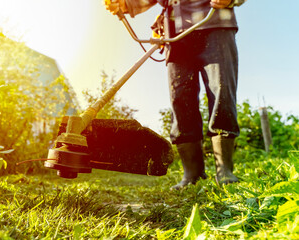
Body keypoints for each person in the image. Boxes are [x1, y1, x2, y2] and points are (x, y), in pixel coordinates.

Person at [104, 0, 247, 189]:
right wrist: (123, 4)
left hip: (215, 22)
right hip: (175, 34)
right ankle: (192, 173)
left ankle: (224, 170)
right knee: (180, 100)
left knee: (221, 90)